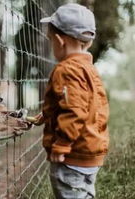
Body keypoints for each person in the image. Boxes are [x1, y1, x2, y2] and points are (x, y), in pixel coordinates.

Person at [30, 3, 109, 199]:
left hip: (71, 155)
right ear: (88, 43)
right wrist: (47, 114)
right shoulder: (89, 69)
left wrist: (62, 144)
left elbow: (74, 110)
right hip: (90, 152)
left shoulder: (66, 69)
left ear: (59, 40)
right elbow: (88, 105)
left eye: (50, 40)